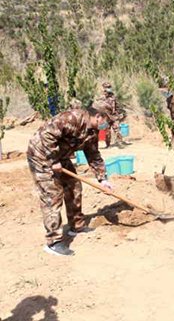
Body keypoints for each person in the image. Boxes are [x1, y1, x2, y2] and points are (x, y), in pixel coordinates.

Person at [27, 101, 114, 256]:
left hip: (61, 156)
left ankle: (77, 226)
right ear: (99, 116)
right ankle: (54, 242)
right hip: (41, 156)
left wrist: (103, 179)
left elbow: (93, 155)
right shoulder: (72, 118)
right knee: (52, 195)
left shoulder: (92, 131)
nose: (107, 125)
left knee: (74, 186)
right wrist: (53, 161)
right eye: (107, 121)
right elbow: (47, 134)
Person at [97, 82, 126, 148]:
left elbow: (117, 106)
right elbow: (98, 106)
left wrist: (120, 113)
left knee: (117, 129)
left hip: (114, 116)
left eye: (109, 87)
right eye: (106, 87)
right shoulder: (101, 97)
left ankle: (120, 143)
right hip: (106, 117)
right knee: (107, 131)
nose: (108, 89)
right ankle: (108, 144)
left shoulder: (113, 97)